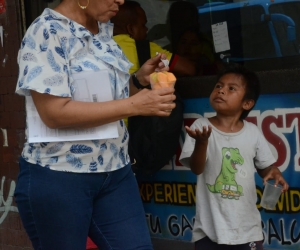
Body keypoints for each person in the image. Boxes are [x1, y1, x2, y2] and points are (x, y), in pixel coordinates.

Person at [14, 0, 176, 249]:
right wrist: (135, 106)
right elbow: (54, 113)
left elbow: (106, 99)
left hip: (115, 171)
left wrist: (138, 80)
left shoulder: (102, 31)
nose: (120, 1)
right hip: (60, 175)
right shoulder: (46, 31)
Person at [179, 63, 289, 249]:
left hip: (247, 230)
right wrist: (202, 142)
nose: (221, 91)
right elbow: (197, 168)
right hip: (209, 230)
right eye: (219, 86)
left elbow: (266, 168)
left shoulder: (252, 132)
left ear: (247, 103)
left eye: (231, 88)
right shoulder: (201, 126)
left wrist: (275, 172)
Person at [111, 0, 196, 76]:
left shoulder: (102, 46)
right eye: (143, 25)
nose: (146, 29)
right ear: (131, 29)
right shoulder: (143, 48)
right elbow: (188, 69)